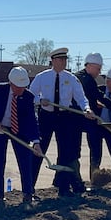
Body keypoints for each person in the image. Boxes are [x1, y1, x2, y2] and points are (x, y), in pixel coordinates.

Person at [29, 47, 95, 198]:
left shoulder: (71, 78)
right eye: (60, 59)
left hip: (64, 117)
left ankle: (63, 187)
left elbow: (81, 98)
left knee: (65, 152)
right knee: (38, 151)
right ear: (53, 61)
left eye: (65, 59)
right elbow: (30, 96)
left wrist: (86, 109)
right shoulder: (42, 77)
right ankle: (29, 188)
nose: (63, 62)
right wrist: (40, 100)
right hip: (46, 117)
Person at [0, 67, 43, 204]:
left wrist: (36, 141)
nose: (21, 89)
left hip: (19, 131)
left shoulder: (28, 96)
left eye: (23, 86)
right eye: (18, 87)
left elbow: (32, 120)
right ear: (10, 83)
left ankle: (28, 192)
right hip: (0, 128)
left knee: (25, 160)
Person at [75, 52, 111, 179]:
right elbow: (97, 96)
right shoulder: (89, 82)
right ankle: (95, 181)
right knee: (95, 155)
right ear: (108, 81)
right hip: (95, 126)